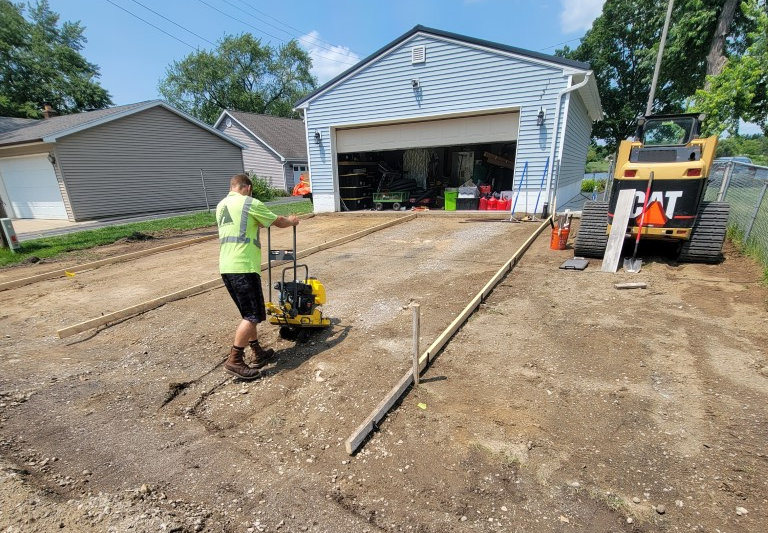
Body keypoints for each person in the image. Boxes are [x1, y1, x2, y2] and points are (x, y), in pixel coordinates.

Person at [217, 173, 299, 380]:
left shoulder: (222, 205)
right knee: (253, 315)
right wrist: (291, 221)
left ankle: (257, 351)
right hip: (243, 266)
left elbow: (246, 225)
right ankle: (235, 359)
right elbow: (277, 221)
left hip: (227, 266)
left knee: (247, 313)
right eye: (250, 190)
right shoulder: (249, 202)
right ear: (247, 188)